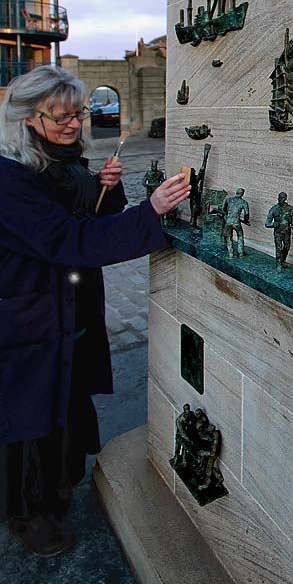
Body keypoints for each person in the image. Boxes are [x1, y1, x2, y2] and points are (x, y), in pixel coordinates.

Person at [0, 66, 190, 557]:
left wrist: (108, 188)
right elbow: (70, 239)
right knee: (30, 420)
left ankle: (58, 492)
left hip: (69, 311)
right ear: (27, 120)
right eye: (61, 116)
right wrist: (150, 213)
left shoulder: (61, 162)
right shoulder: (9, 179)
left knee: (66, 401)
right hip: (30, 318)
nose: (74, 124)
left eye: (78, 113)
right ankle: (30, 515)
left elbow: (93, 217)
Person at [265, 192, 293, 270]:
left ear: (285, 199)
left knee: (287, 247)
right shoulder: (274, 209)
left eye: (282, 198)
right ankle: (278, 264)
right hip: (278, 232)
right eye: (279, 198)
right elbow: (267, 223)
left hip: (287, 232)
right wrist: (276, 224)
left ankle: (283, 260)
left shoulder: (290, 209)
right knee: (278, 248)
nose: (280, 199)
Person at [222, 188, 249, 258]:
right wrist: (246, 221)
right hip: (236, 222)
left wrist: (227, 217)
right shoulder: (244, 202)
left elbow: (223, 209)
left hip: (228, 222)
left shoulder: (229, 200)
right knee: (240, 236)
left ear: (236, 192)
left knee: (229, 237)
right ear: (242, 194)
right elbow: (247, 214)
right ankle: (241, 253)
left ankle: (231, 253)